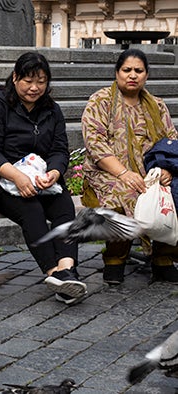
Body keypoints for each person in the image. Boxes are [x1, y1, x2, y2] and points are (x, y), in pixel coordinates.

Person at [0, 52, 87, 305]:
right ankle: (54, 273)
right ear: (15, 78)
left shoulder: (52, 110)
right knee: (32, 209)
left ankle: (67, 269)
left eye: (41, 81)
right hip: (5, 181)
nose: (35, 88)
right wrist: (16, 176)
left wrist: (54, 173)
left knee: (64, 206)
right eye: (28, 80)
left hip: (41, 179)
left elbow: (60, 150)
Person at [81, 48, 178, 284]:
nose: (132, 75)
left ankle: (163, 259)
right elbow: (95, 142)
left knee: (169, 192)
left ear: (146, 75)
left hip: (150, 172)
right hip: (106, 172)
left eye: (138, 70)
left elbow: (171, 140)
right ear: (117, 73)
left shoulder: (157, 105)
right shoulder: (101, 100)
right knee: (126, 193)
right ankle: (115, 259)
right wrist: (123, 173)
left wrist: (166, 169)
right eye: (127, 70)